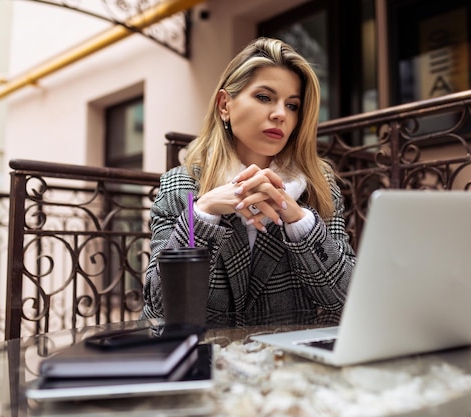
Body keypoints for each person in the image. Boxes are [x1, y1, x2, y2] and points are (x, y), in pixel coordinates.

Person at [141, 37, 355, 325]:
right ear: (224, 105)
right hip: (201, 361)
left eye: (292, 105)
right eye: (264, 97)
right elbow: (160, 306)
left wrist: (299, 222)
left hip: (286, 363)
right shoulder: (181, 188)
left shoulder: (320, 187)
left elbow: (347, 300)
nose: (280, 114)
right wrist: (201, 215)